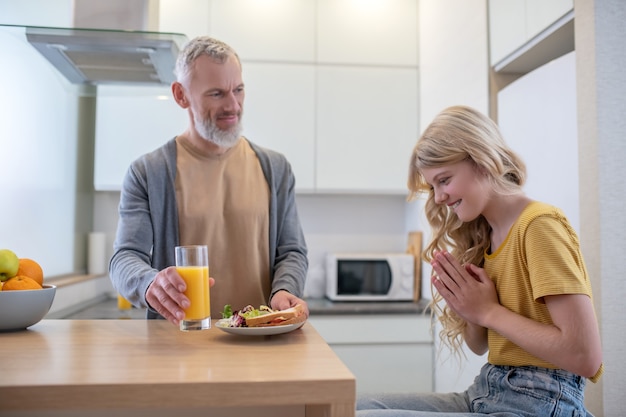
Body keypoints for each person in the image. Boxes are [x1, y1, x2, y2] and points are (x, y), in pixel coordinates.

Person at [357, 105, 603, 416]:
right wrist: (468, 306)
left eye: (444, 180)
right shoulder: (484, 235)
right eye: (433, 186)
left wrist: (488, 311)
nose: (439, 198)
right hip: (488, 389)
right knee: (355, 405)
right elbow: (479, 345)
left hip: (540, 400)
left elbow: (585, 356)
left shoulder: (539, 225)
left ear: (481, 159)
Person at [109, 36, 309, 326]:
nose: (233, 105)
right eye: (216, 94)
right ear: (181, 95)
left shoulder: (275, 169)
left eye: (238, 90)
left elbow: (292, 252)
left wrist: (284, 290)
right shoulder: (148, 172)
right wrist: (150, 283)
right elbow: (125, 258)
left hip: (259, 341)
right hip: (182, 344)